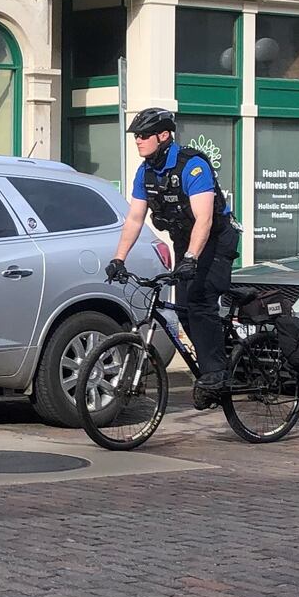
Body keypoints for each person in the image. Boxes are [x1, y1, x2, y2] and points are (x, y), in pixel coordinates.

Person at [107, 107, 241, 408]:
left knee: (200, 301)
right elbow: (134, 219)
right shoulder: (146, 172)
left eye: (143, 135)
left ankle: (216, 373)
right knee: (182, 309)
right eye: (136, 136)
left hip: (216, 241)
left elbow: (204, 220)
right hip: (185, 240)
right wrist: (118, 259)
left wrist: (191, 258)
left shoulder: (192, 166)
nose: (138, 140)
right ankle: (212, 364)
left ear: (163, 135)